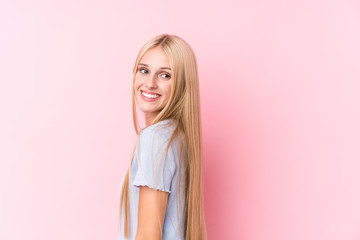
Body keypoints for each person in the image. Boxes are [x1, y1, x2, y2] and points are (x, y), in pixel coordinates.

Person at [118, 34, 207, 240]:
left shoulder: (155, 140)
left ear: (182, 84)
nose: (150, 83)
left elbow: (148, 236)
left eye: (165, 75)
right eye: (144, 70)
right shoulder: (179, 138)